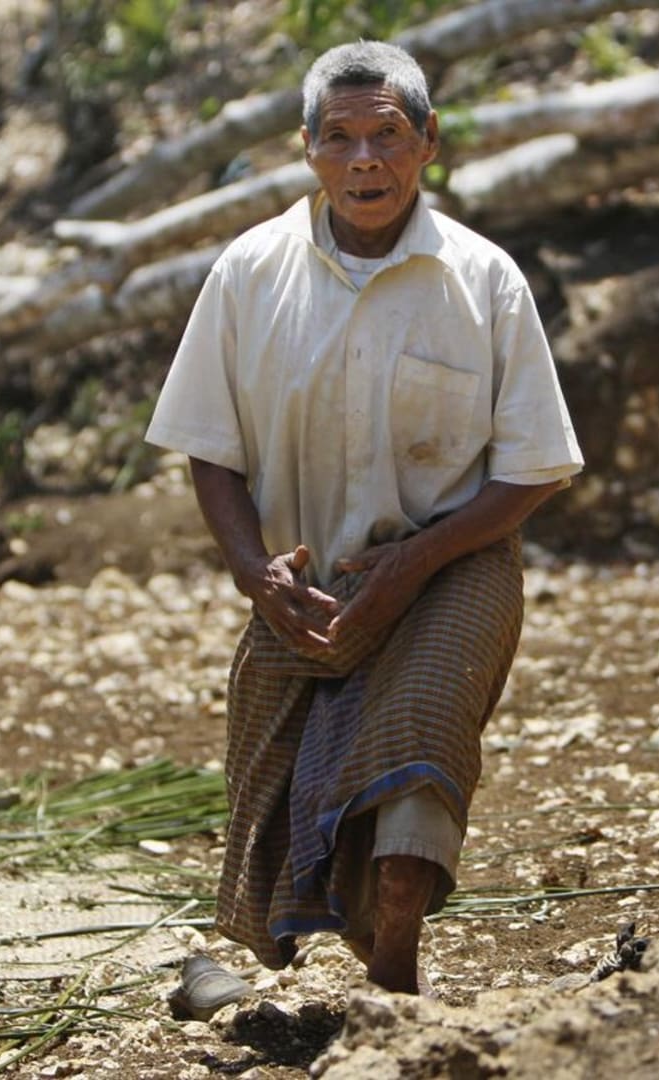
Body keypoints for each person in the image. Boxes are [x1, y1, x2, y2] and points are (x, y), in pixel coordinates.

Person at [145, 40, 583, 995]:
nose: (364, 161)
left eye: (387, 135)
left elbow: (533, 468)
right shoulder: (250, 273)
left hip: (456, 564)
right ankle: (272, 949)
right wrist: (254, 571)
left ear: (427, 143)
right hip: (306, 585)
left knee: (421, 747)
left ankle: (395, 973)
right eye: (339, 138)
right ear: (307, 150)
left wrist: (418, 562)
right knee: (272, 815)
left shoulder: (484, 280)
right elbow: (209, 448)